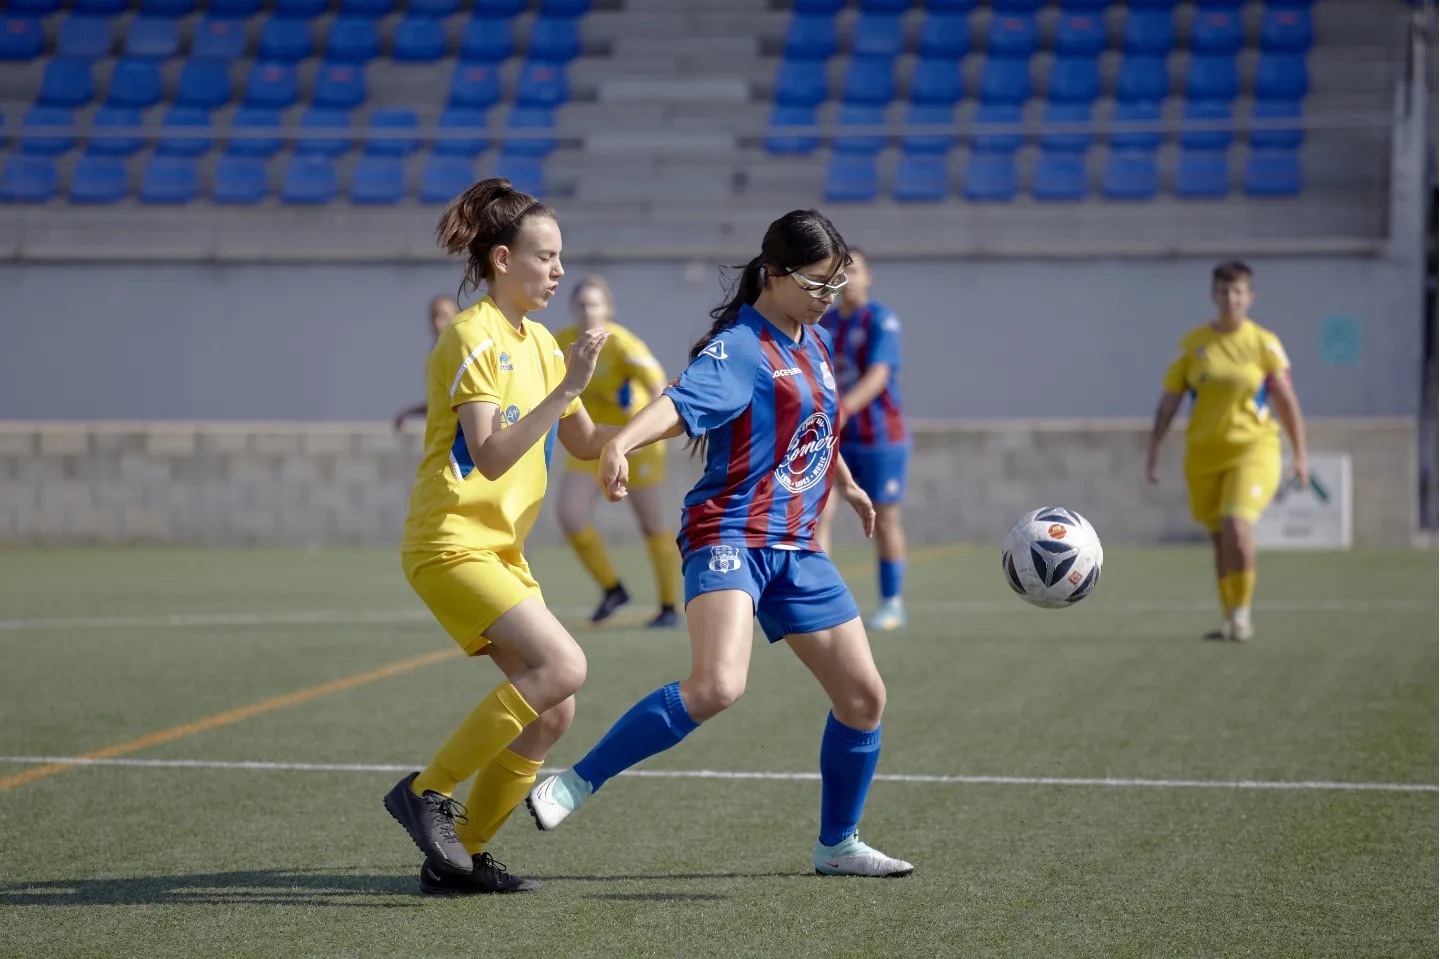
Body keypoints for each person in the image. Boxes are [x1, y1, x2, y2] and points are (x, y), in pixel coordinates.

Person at [525, 209, 916, 879]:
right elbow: (678, 404)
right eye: (817, 284)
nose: (828, 298)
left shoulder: (816, 341)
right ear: (774, 273)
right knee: (716, 685)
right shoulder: (741, 347)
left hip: (797, 546)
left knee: (864, 699)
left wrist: (848, 484)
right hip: (730, 531)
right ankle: (576, 781)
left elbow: (819, 426)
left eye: (835, 285)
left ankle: (837, 844)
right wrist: (620, 442)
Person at [384, 177, 620, 896]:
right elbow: (489, 455)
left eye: (560, 257)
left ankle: (461, 856)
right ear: (501, 260)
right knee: (565, 665)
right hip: (449, 541)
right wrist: (568, 387)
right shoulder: (470, 334)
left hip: (500, 550)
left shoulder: (543, 342)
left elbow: (584, 441)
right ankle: (426, 791)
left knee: (556, 709)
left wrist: (673, 419)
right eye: (545, 256)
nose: (558, 270)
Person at [1145, 260, 1310, 642]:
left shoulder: (1264, 343)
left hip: (1254, 448)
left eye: (1238, 291)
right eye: (1224, 290)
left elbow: (1286, 400)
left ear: (1250, 297)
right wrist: (1154, 447)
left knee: (1237, 525)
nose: (1230, 298)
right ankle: (1229, 615)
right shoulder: (1192, 345)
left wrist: (1300, 453)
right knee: (1220, 537)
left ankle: (1243, 613)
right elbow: (1169, 401)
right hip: (1204, 454)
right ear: (1213, 295)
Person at [553, 276, 681, 628]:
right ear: (572, 308)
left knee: (651, 524)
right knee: (569, 515)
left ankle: (669, 606)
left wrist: (645, 431)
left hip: (634, 442)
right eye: (581, 304)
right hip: (590, 440)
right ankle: (613, 589)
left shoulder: (624, 344)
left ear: (608, 309)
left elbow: (659, 387)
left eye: (595, 304)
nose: (588, 311)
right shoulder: (562, 343)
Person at [813, 248, 911, 631]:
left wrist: (844, 408)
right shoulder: (824, 322)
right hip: (833, 438)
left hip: (879, 437)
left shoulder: (880, 319)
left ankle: (892, 603)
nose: (847, 279)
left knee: (884, 518)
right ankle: (820, 600)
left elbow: (879, 374)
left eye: (854, 271)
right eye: (840, 273)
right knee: (819, 513)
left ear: (868, 277)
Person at [391, 295, 459, 431]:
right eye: (434, 316)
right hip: (439, 438)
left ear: (458, 319)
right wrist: (409, 412)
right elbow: (438, 404)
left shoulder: (462, 356)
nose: (437, 322)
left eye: (444, 316)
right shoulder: (432, 357)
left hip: (456, 438)